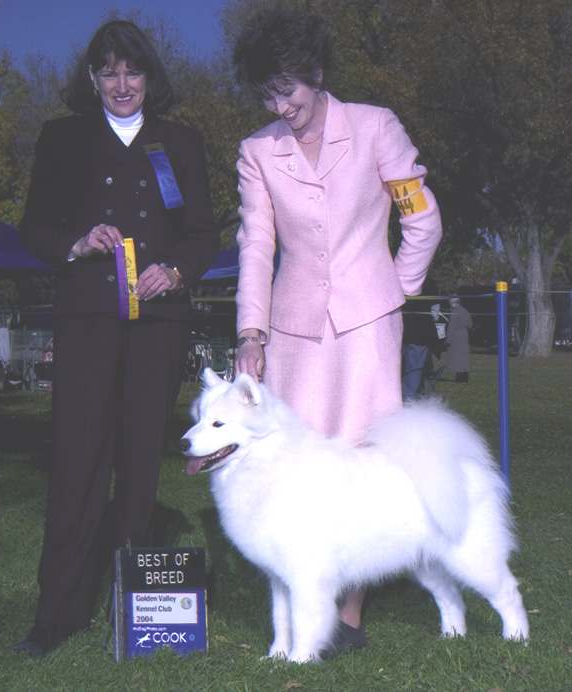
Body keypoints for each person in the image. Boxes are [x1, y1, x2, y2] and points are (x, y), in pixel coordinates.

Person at [232, 10, 442, 656]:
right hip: (292, 334)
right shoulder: (256, 153)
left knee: (365, 464)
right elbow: (256, 245)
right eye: (268, 93)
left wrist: (393, 290)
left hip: (368, 331)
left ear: (317, 73)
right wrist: (251, 332)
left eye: (289, 88)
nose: (280, 105)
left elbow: (423, 219)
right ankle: (308, 611)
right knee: (299, 471)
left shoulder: (377, 126)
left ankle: (349, 618)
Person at [14, 20, 219, 657]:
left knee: (137, 467)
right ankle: (59, 611)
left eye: (132, 71)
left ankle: (130, 607)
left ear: (150, 78)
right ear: (92, 78)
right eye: (108, 72)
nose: (121, 84)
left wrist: (176, 271)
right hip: (88, 323)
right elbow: (33, 228)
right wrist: (74, 244)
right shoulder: (63, 138)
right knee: (77, 463)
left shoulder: (179, 142)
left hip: (158, 325)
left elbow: (204, 233)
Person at [401, 276, 441, 399]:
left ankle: (407, 403)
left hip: (404, 332)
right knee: (414, 374)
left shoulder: (398, 278)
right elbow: (435, 309)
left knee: (407, 373)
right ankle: (408, 403)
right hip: (418, 333)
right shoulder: (428, 281)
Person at [446, 295, 473, 382]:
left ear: (454, 303)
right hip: (464, 335)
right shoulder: (466, 311)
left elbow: (451, 327)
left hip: (456, 336)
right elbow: (470, 325)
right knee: (464, 356)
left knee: (457, 357)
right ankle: (464, 375)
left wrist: (448, 340)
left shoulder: (454, 312)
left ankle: (460, 377)